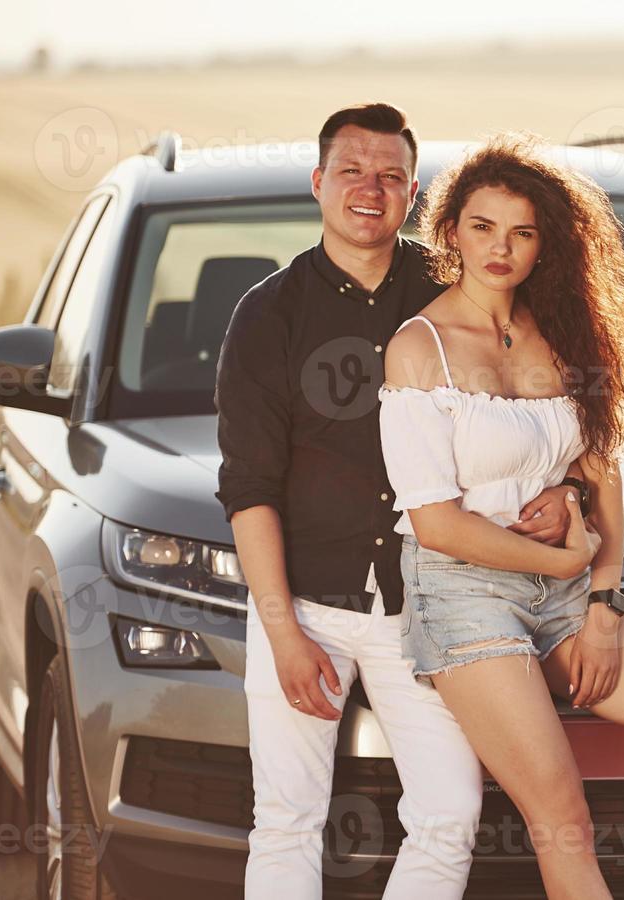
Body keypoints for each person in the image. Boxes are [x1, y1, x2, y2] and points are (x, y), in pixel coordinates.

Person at [378, 131, 624, 900]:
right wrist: (564, 558)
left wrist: (599, 597)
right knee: (562, 816)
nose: (500, 249)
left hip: (569, 595)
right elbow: (436, 524)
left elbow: (602, 479)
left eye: (522, 232)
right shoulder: (418, 348)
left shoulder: (563, 335)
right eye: (483, 227)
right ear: (450, 229)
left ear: (546, 246)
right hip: (463, 594)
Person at [215, 104, 580, 898]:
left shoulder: (457, 291)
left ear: (413, 193)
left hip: (426, 607)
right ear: (318, 183)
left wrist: (565, 491)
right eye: (351, 171)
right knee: (286, 817)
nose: (368, 189)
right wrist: (282, 632)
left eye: (389, 176)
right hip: (305, 601)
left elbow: (535, 410)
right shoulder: (267, 315)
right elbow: (248, 487)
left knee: (449, 814)